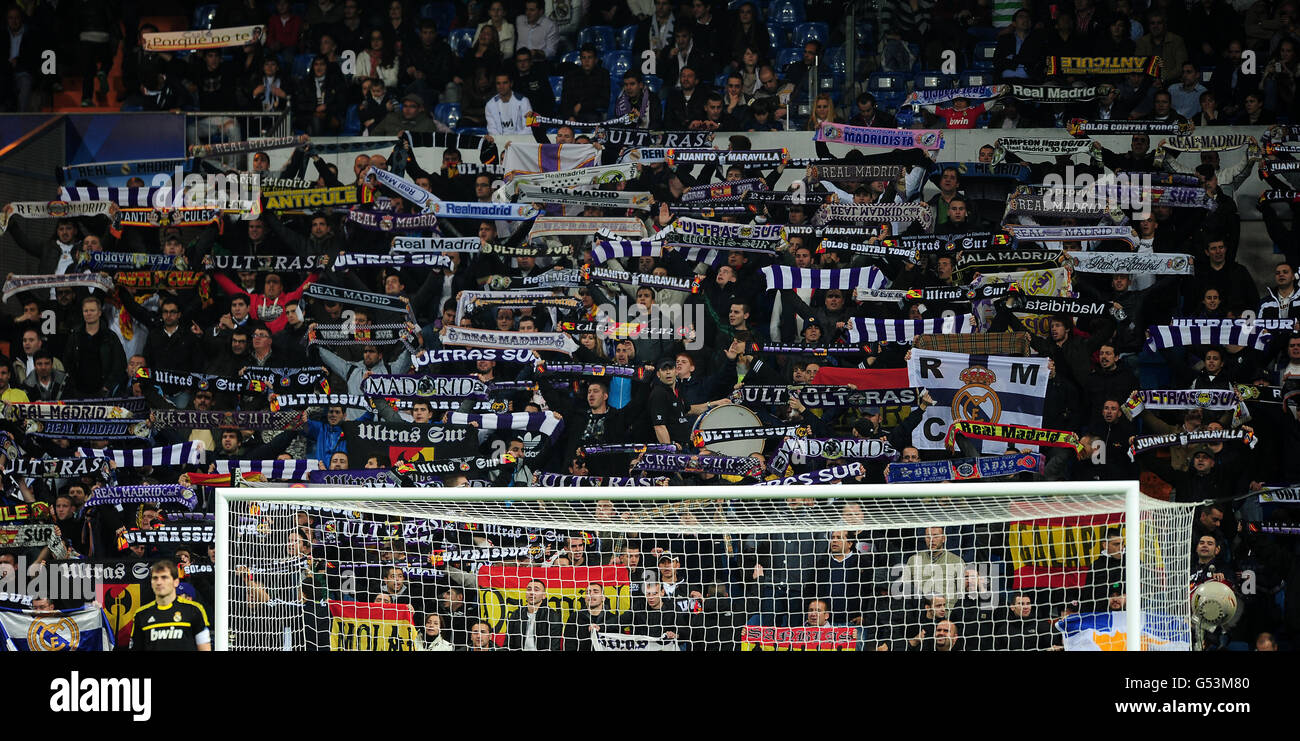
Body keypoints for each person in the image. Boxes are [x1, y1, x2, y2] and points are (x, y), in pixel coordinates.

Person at [129, 560, 212, 651]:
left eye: (164, 577)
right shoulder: (141, 614)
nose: (159, 582)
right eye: (155, 578)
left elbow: (204, 647)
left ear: (176, 582)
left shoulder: (194, 610)